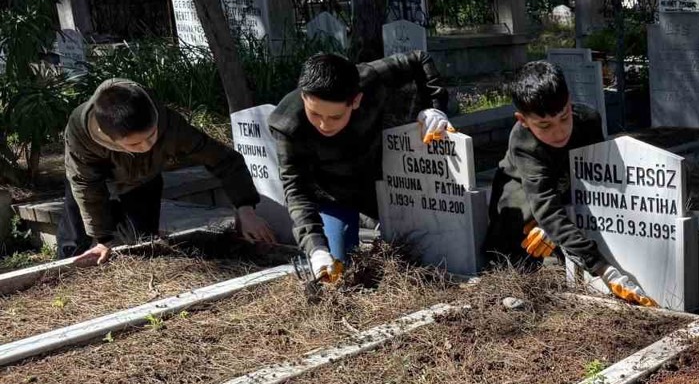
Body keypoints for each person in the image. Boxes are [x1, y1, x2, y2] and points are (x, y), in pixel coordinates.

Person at [485, 60, 655, 307]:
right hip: (522, 193)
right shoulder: (523, 142)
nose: (559, 132)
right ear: (522, 120)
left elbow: (596, 179)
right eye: (544, 125)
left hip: (564, 186)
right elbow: (544, 204)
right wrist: (603, 269)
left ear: (570, 102)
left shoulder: (588, 120)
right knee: (522, 245)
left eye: (564, 117)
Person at [269, 51, 450, 282]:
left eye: (335, 117)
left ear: (355, 100)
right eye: (314, 114)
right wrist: (316, 248)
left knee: (425, 247)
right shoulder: (287, 125)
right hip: (334, 193)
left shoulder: (370, 77)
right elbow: (296, 191)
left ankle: (373, 219)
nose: (323, 124)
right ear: (304, 96)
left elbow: (419, 59)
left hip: (380, 176)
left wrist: (433, 106)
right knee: (338, 268)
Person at [59, 78, 276, 264]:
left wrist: (245, 208)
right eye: (135, 145)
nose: (147, 146)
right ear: (109, 138)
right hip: (89, 181)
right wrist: (102, 240)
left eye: (152, 135)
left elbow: (224, 160)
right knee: (76, 243)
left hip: (142, 179)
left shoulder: (171, 125)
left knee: (143, 246)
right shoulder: (81, 131)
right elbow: (85, 185)